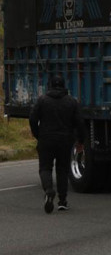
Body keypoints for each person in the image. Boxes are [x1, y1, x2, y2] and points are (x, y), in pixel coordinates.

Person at [29, 74, 86, 213]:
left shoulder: (42, 100)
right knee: (62, 170)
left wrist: (38, 135)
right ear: (63, 85)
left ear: (50, 85)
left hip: (46, 139)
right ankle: (62, 201)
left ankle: (49, 190)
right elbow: (80, 123)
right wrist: (81, 141)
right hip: (65, 141)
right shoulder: (72, 102)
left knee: (45, 168)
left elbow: (32, 118)